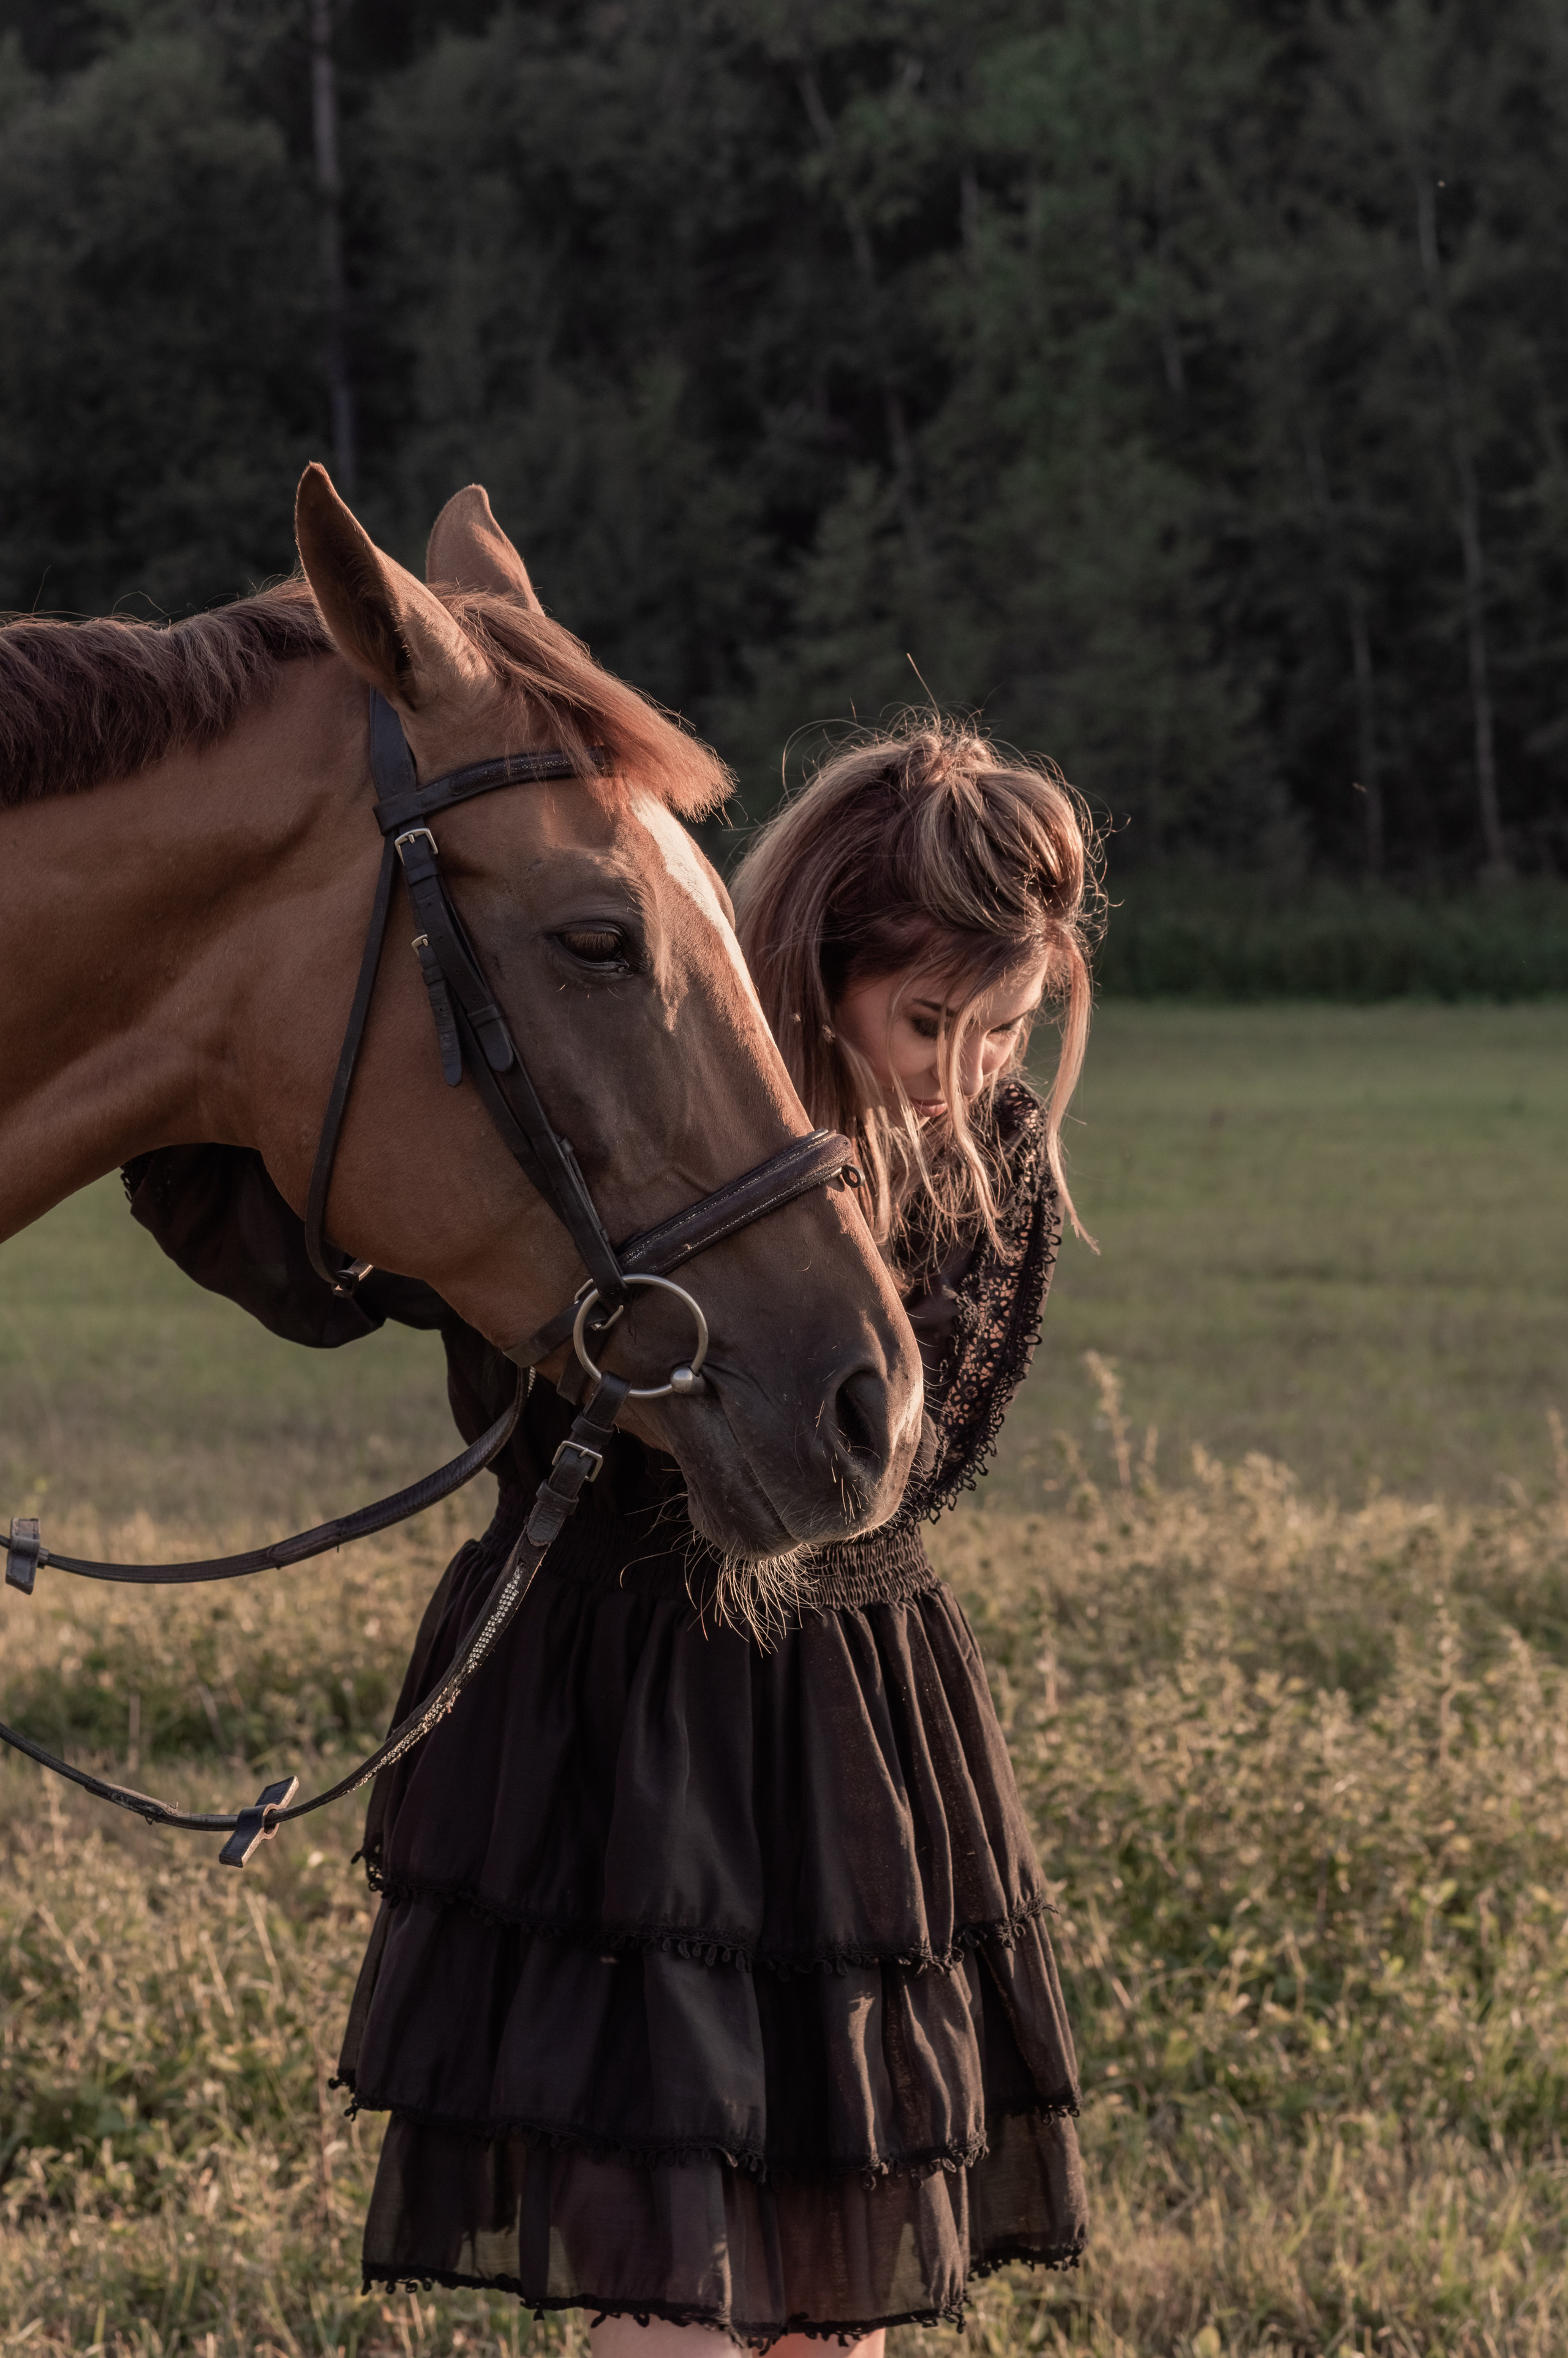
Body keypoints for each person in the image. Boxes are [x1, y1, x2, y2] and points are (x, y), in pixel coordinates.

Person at [124, 712, 1098, 2352]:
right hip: (610, 1716)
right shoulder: (636, 1097)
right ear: (819, 973)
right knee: (664, 2283)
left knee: (837, 2296)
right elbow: (364, 1255)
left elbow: (894, 1466)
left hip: (842, 1741)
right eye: (928, 1021)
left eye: (1004, 1030)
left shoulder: (988, 1157)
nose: (966, 1067)